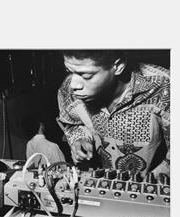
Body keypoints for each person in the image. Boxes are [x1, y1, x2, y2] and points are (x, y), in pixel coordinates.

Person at [57, 50, 170, 178]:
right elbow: (71, 124)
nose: (73, 85)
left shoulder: (165, 86)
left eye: (86, 75)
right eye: (69, 71)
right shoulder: (68, 89)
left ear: (118, 66)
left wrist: (147, 184)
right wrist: (80, 138)